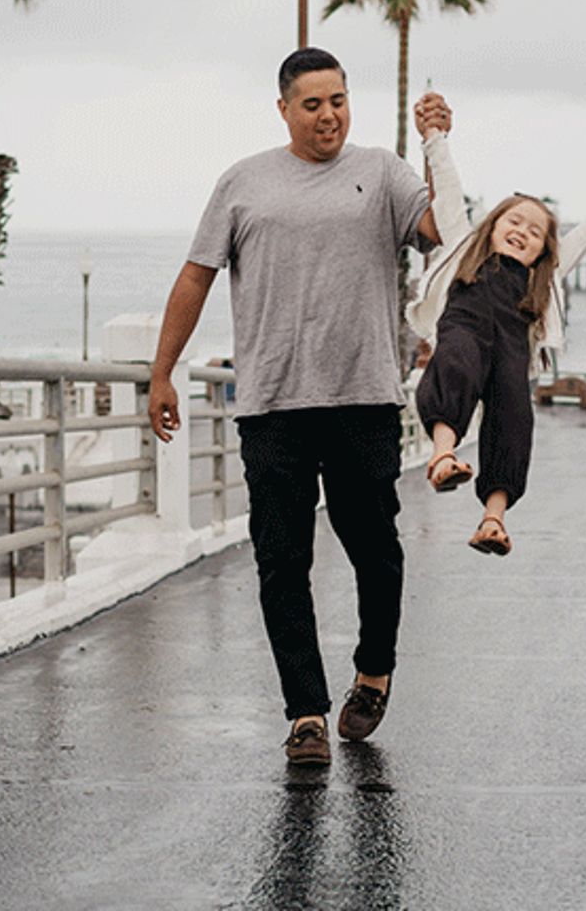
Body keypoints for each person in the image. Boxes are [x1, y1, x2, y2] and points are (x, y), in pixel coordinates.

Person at [146, 47, 451, 767]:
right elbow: (196, 277)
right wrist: (164, 372)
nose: (329, 115)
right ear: (284, 109)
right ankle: (306, 712)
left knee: (375, 552)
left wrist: (438, 143)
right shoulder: (244, 183)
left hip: (363, 396)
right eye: (313, 104)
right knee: (282, 561)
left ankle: (374, 673)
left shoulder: (382, 173)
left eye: (339, 100)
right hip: (273, 402)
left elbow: (446, 233)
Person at [406, 125, 586, 555]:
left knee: (514, 419)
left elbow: (582, 238)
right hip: (463, 331)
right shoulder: (465, 245)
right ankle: (442, 455)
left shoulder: (544, 279)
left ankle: (493, 519)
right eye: (514, 221)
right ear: (492, 226)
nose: (522, 232)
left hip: (510, 351)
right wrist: (434, 137)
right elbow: (448, 189)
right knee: (457, 365)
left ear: (544, 250)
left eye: (535, 232)